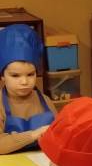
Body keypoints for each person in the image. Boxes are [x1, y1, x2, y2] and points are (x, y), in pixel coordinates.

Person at [0, 24, 56, 153]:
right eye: (15, 76)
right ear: (2, 76)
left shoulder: (45, 101)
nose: (24, 82)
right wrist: (33, 135)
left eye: (30, 74)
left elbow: (59, 135)